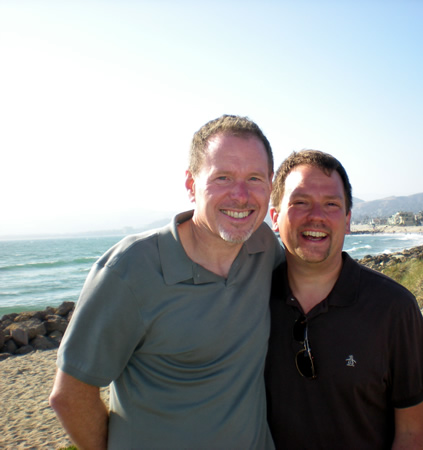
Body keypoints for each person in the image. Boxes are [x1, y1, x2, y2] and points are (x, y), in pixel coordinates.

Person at [49, 115, 284, 449]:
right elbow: (70, 396)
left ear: (270, 185)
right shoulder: (130, 269)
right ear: (191, 185)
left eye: (255, 178)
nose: (241, 195)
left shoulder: (262, 246)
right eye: (223, 177)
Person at [265, 150, 423, 449]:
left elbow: (412, 435)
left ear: (347, 220)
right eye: (300, 202)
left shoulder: (394, 308)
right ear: (275, 217)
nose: (316, 216)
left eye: (331, 205)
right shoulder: (252, 301)